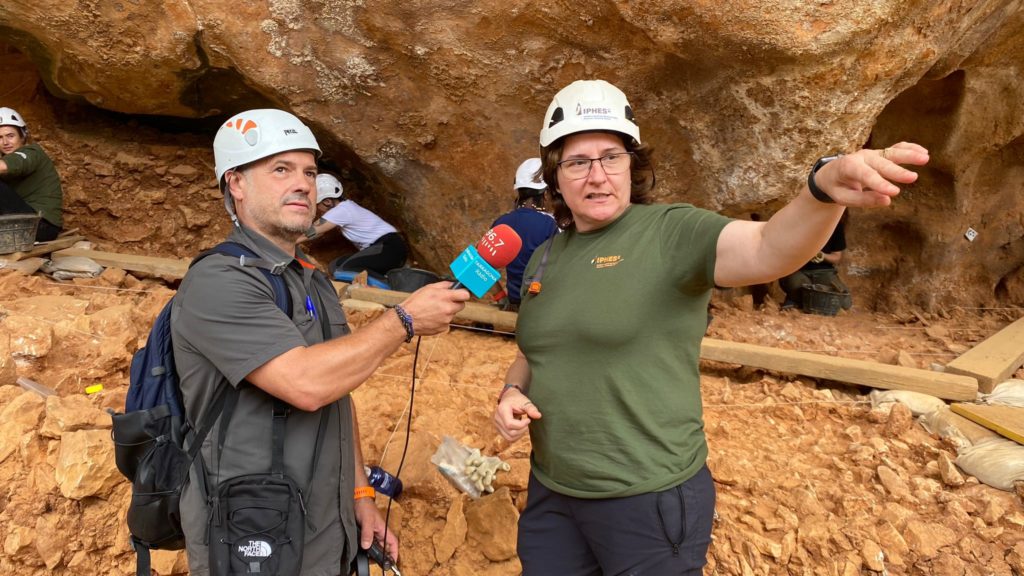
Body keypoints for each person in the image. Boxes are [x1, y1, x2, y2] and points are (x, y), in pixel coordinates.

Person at [492, 79, 928, 575]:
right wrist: (511, 391)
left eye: (611, 157)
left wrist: (821, 190)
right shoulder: (546, 256)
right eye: (577, 162)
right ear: (556, 175)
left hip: (648, 499)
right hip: (554, 492)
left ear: (633, 165)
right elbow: (535, 350)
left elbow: (769, 247)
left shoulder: (671, 232)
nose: (597, 175)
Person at [172, 108, 469, 575]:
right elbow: (307, 383)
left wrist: (360, 494)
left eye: (309, 171)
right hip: (253, 527)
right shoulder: (220, 281)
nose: (304, 184)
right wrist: (404, 319)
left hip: (326, 527)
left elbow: (336, 390)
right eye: (280, 169)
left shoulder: (311, 277)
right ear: (236, 183)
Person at [303, 172, 408, 278]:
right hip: (389, 249)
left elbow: (314, 230)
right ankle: (384, 279)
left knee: (344, 270)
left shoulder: (341, 210)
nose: (316, 209)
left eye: (317, 204)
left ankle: (387, 286)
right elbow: (319, 233)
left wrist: (289, 242)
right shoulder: (346, 208)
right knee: (335, 266)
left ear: (327, 201)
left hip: (389, 247)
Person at [489, 158, 559, 312]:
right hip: (544, 308)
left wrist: (501, 297)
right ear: (546, 193)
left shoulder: (501, 222)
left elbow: (473, 266)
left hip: (516, 305)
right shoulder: (553, 225)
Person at [0, 107, 63, 241]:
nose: (5, 142)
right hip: (20, 224)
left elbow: (8, 165)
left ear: (23, 136)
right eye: (0, 137)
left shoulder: (32, 152)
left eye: (11, 136)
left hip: (42, 227)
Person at [779, 211, 853, 312]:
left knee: (845, 303)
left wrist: (823, 256)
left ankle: (796, 301)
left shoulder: (835, 226)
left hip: (823, 271)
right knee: (800, 288)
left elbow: (836, 257)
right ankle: (795, 300)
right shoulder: (798, 223)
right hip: (797, 270)